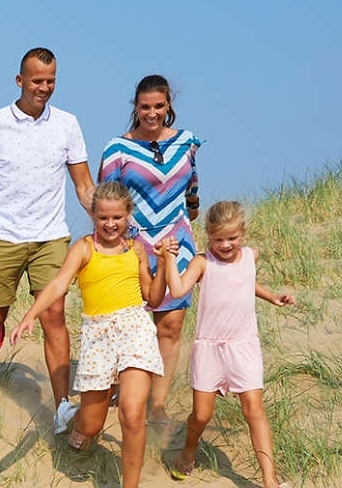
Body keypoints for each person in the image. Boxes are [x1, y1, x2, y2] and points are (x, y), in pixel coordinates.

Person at [0, 47, 97, 433]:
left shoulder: (67, 124)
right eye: (37, 81)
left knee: (54, 315)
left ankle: (62, 404)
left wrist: (108, 222)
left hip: (50, 237)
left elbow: (82, 184)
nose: (44, 88)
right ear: (20, 81)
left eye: (51, 81)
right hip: (2, 235)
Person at [10, 182, 165, 488]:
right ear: (94, 216)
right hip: (99, 336)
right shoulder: (83, 249)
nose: (110, 224)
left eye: (117, 218)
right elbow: (57, 286)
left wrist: (166, 263)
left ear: (128, 215)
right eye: (104, 218)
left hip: (135, 330)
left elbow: (154, 298)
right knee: (92, 422)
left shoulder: (136, 249)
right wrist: (30, 315)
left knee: (132, 414)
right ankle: (73, 424)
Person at [161, 202, 295, 487]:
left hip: (244, 346)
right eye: (218, 239)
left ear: (243, 234)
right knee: (201, 415)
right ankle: (188, 451)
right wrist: (169, 260)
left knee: (254, 409)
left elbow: (245, 282)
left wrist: (272, 297)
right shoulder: (202, 262)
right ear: (208, 236)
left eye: (231, 238)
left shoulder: (250, 257)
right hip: (209, 349)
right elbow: (177, 289)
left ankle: (269, 479)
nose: (225, 245)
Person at [99, 74, 205, 421]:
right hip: (134, 244)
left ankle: (157, 404)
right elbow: (107, 200)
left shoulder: (187, 142)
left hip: (177, 242)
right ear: (136, 107)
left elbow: (192, 186)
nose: (152, 113)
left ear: (168, 105)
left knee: (171, 325)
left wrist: (191, 213)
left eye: (159, 106)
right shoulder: (117, 149)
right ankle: (121, 385)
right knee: (132, 324)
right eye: (145, 107)